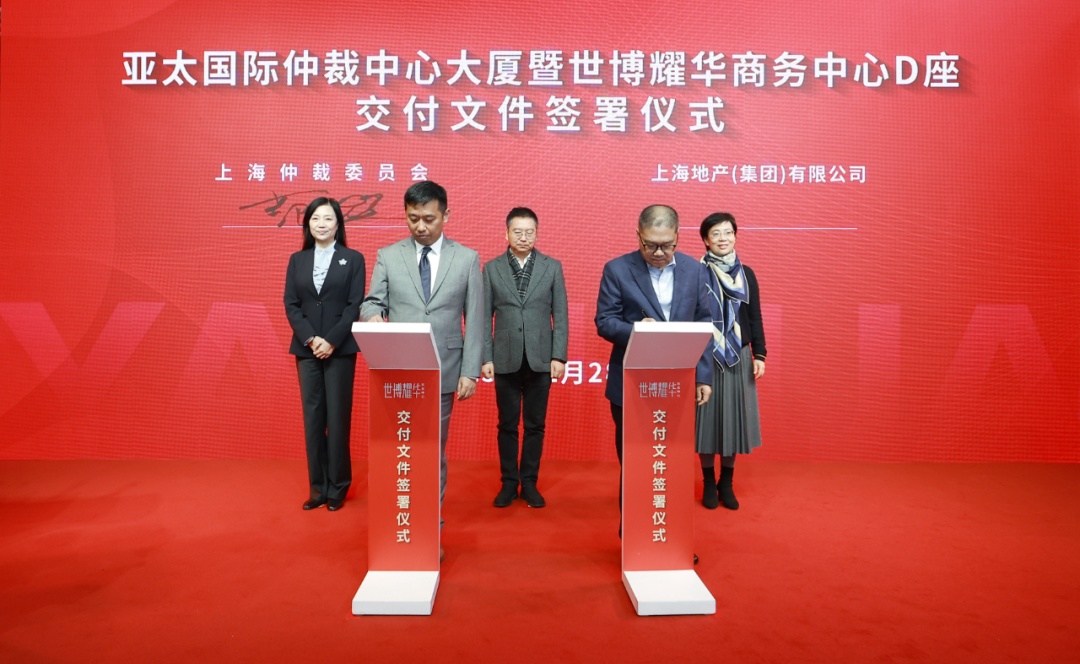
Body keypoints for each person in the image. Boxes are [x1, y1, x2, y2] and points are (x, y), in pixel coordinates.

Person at [360, 181, 483, 556]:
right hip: (398, 370)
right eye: (413, 218)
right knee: (398, 450)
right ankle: (397, 524)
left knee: (431, 453)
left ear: (446, 215)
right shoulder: (388, 255)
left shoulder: (467, 259)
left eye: (429, 218)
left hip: (444, 370)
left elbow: (476, 318)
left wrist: (470, 371)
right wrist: (373, 316)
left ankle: (430, 529)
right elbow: (371, 302)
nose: (421, 226)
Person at [595, 204, 713, 529]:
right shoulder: (618, 269)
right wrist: (637, 329)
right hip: (631, 383)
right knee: (635, 462)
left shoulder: (695, 270)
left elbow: (703, 323)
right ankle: (633, 535)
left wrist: (703, 376)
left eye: (666, 245)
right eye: (650, 245)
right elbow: (605, 321)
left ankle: (669, 538)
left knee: (672, 461)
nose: (659, 253)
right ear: (638, 236)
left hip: (678, 384)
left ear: (678, 236)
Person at [481, 207, 569, 509]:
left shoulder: (551, 267)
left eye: (529, 232)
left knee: (535, 425)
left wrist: (559, 356)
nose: (523, 237)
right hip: (504, 358)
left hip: (540, 358)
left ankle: (529, 483)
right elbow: (483, 317)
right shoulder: (491, 269)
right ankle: (508, 483)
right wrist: (486, 357)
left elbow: (561, 315)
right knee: (506, 425)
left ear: (536, 234)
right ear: (506, 233)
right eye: (517, 231)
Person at [284, 197, 366, 512]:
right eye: (316, 218)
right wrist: (310, 338)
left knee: (338, 418)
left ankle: (338, 487)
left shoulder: (353, 259)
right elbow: (291, 303)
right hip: (306, 350)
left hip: (340, 349)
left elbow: (354, 305)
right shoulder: (297, 260)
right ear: (308, 223)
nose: (321, 224)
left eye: (328, 218)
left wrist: (330, 340)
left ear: (338, 224)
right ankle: (318, 488)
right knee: (314, 419)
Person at [694, 212, 767, 510]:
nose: (722, 238)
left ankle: (727, 482)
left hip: (738, 356)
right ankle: (708, 482)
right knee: (707, 422)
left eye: (728, 232)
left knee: (732, 422)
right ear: (705, 239)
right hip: (705, 355)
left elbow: (754, 315)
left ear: (735, 236)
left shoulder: (746, 274)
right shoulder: (695, 273)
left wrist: (759, 354)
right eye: (716, 233)